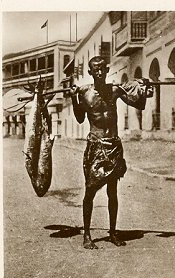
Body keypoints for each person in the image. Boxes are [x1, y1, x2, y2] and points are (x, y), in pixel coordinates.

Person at [70, 56, 153, 249]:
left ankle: (113, 233)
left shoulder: (115, 90)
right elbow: (80, 118)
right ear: (90, 72)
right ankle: (87, 236)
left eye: (102, 69)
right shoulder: (84, 93)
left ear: (106, 71)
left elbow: (138, 104)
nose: (99, 72)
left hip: (114, 146)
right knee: (90, 191)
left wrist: (145, 89)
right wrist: (74, 98)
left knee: (112, 192)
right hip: (96, 145)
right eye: (95, 69)